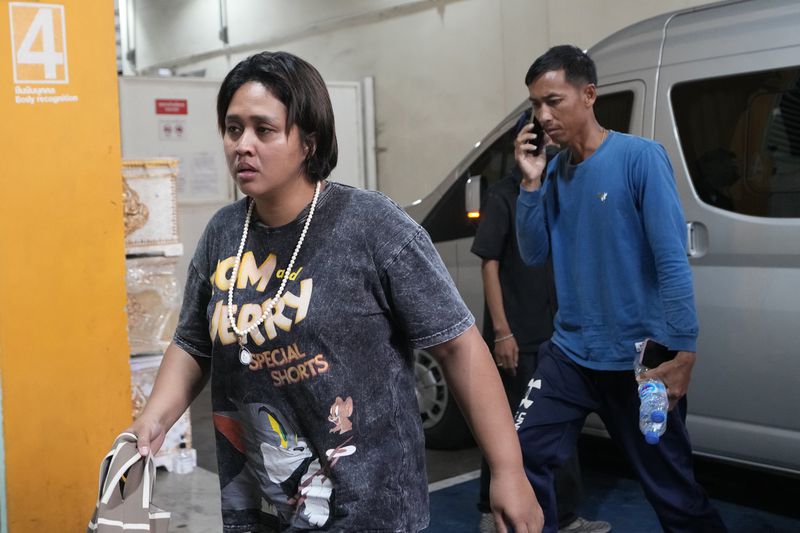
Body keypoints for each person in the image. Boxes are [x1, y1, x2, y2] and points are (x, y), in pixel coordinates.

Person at [122, 51, 542, 533]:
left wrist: (509, 471)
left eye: (264, 129)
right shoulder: (224, 233)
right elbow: (193, 343)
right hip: (262, 508)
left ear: (308, 141)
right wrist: (153, 420)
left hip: (367, 510)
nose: (243, 145)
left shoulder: (371, 226)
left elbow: (457, 345)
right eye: (233, 128)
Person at [513, 45, 727, 533]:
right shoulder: (554, 175)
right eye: (536, 105)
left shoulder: (640, 158)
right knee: (519, 456)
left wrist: (684, 351)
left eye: (553, 100)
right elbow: (531, 254)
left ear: (588, 95)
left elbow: (671, 260)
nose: (543, 116)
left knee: (671, 488)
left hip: (643, 360)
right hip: (570, 355)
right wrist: (529, 186)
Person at [471, 113, 610, 533]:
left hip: (557, 332)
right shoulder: (502, 195)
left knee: (556, 430)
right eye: (537, 136)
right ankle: (489, 510)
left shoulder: (562, 189)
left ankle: (561, 516)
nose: (546, 143)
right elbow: (490, 267)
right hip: (520, 331)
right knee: (511, 427)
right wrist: (502, 332)